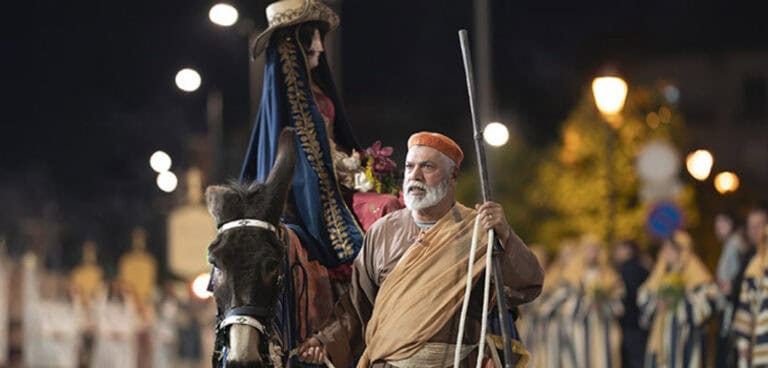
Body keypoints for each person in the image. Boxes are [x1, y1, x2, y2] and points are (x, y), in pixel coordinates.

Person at [298, 132, 544, 367]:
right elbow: (357, 306)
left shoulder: (478, 231)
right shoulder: (382, 232)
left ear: (453, 176)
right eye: (409, 167)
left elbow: (524, 287)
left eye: (427, 167)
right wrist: (325, 341)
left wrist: (506, 236)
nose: (415, 175)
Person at [241, 0, 402, 274]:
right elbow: (303, 158)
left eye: (319, 37)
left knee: (397, 199)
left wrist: (361, 166)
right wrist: (339, 170)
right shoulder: (284, 101)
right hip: (316, 192)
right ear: (294, 44)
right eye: (310, 38)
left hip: (341, 180)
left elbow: (335, 139)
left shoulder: (317, 89)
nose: (319, 46)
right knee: (385, 206)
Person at [638, 231, 717, 368]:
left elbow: (707, 305)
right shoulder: (660, 273)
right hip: (660, 338)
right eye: (665, 248)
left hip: (686, 340)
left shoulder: (697, 274)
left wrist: (678, 301)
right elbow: (644, 297)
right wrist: (657, 304)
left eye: (671, 249)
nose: (667, 253)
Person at [559, 234, 624, 368]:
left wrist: (603, 303)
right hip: (579, 327)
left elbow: (619, 303)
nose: (592, 253)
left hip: (603, 327)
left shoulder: (610, 275)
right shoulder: (571, 275)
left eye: (595, 249)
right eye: (589, 249)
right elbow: (564, 303)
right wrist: (585, 303)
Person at [733, 208, 768, 367]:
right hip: (761, 345)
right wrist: (743, 344)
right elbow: (745, 306)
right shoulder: (752, 263)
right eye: (751, 227)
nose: (756, 231)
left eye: (759, 225)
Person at [713, 211, 747, 367]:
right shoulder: (730, 245)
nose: (718, 228)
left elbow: (734, 277)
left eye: (722, 223)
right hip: (727, 304)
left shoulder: (734, 244)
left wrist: (728, 287)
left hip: (730, 306)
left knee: (727, 351)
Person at [612, 239, 650, 368]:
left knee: (632, 360)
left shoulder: (627, 269)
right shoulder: (642, 267)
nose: (616, 253)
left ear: (628, 251)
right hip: (638, 324)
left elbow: (628, 295)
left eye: (619, 249)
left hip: (630, 324)